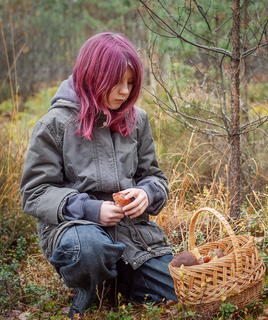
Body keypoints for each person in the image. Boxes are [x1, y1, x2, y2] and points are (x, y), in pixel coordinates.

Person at [20, 32, 178, 319]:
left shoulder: (137, 120)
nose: (125, 91)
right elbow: (35, 193)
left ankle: (119, 283)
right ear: (93, 76)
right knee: (91, 248)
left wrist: (147, 193)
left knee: (177, 288)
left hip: (133, 236)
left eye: (131, 83)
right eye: (117, 82)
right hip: (75, 230)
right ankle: (88, 292)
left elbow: (154, 177)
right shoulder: (55, 124)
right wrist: (91, 209)